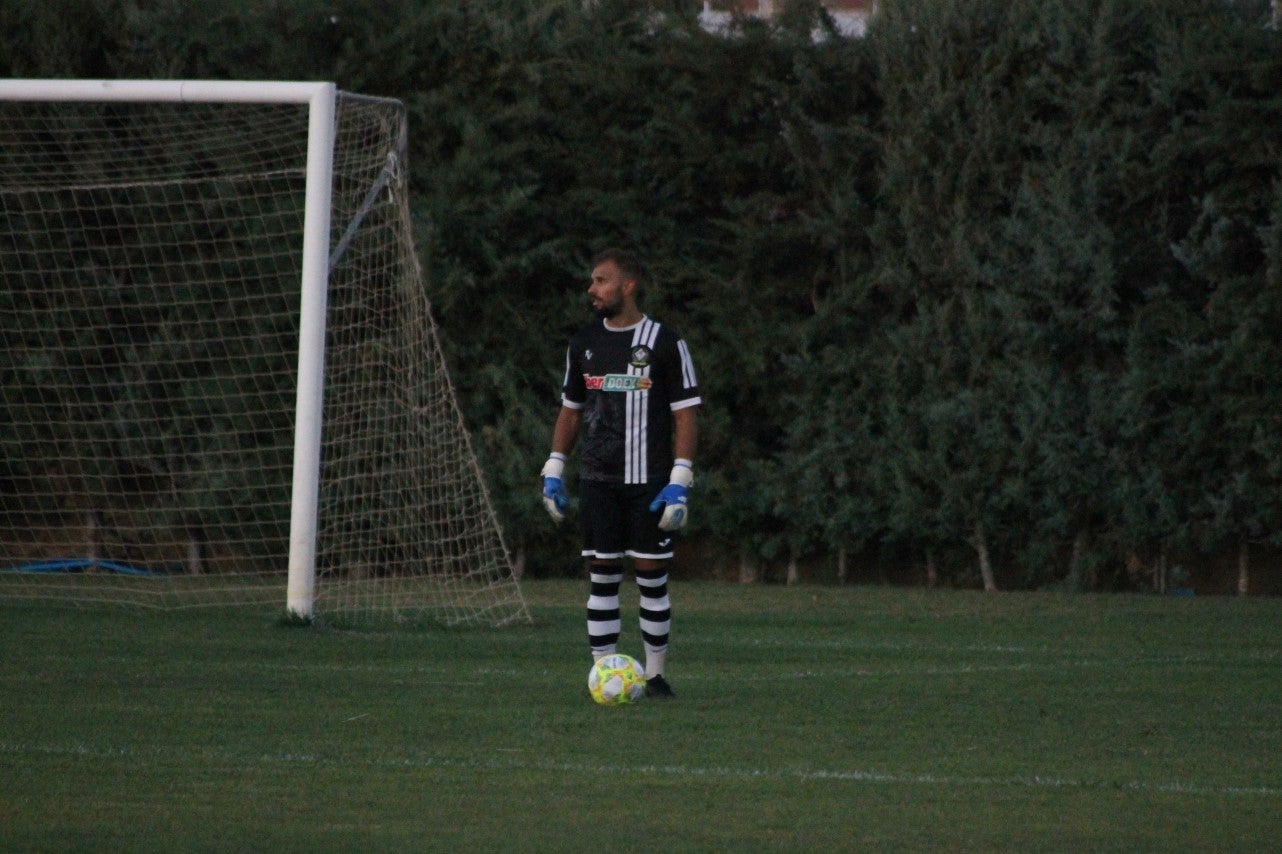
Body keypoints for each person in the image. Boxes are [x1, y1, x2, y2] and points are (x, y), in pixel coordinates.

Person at [540, 248, 701, 699]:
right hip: (598, 479)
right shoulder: (583, 344)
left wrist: (679, 480)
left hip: (649, 481)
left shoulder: (666, 342)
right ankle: (604, 675)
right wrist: (554, 467)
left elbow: (687, 413)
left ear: (628, 286)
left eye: (601, 281)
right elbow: (571, 411)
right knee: (603, 574)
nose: (592, 290)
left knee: (651, 576)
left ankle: (654, 675)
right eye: (593, 282)